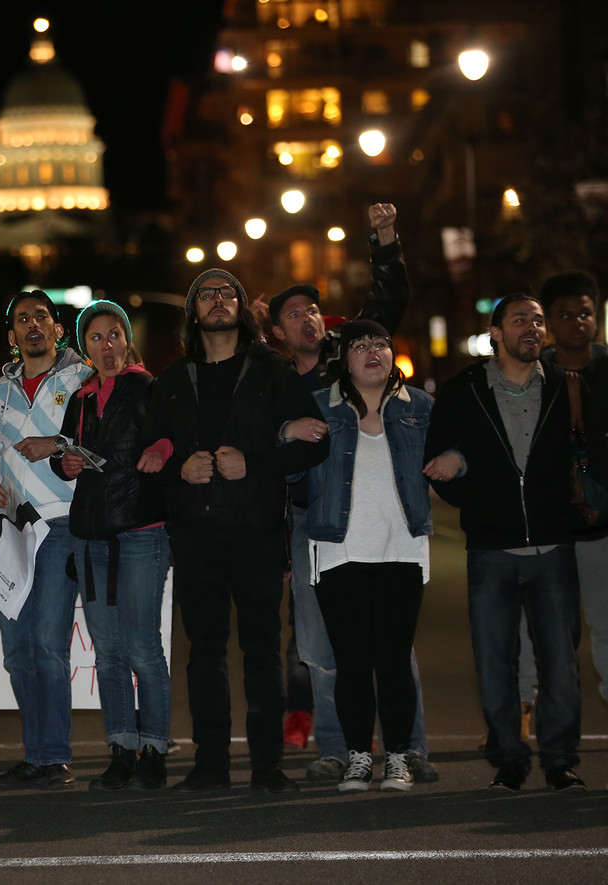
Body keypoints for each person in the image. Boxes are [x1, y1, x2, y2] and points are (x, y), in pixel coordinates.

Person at [266, 203, 436, 785]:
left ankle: (410, 748)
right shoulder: (280, 381)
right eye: (293, 314)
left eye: (312, 310)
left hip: (386, 528)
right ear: (278, 332)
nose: (308, 319)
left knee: (393, 644)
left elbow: (388, 303)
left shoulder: (351, 354)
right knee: (322, 645)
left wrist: (385, 239)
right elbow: (270, 449)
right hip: (312, 523)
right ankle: (340, 749)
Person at [144, 268, 326, 794]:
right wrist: (179, 470)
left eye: (228, 293)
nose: (218, 300)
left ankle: (268, 766)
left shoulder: (274, 370)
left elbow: (317, 442)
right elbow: (149, 457)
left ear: (242, 309)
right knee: (204, 651)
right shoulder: (172, 381)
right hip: (195, 535)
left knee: (262, 650)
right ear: (193, 313)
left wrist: (257, 462)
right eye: (207, 294)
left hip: (257, 531)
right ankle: (210, 766)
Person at [425, 294, 585, 792]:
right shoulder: (464, 389)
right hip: (491, 550)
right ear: (496, 333)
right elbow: (437, 455)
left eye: (538, 321)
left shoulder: (565, 385)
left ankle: (559, 760)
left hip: (553, 546)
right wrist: (474, 496)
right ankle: (508, 760)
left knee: (561, 663)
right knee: (495, 661)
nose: (532, 328)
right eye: (520, 321)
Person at [295, 320, 433, 791]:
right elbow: (287, 470)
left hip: (402, 548)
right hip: (339, 549)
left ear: (392, 354)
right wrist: (289, 432)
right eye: (359, 345)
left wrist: (457, 461)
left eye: (380, 343)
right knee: (351, 660)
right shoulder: (320, 406)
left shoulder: (420, 406)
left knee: (394, 660)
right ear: (345, 360)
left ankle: (397, 757)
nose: (372, 351)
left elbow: (458, 452)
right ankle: (357, 756)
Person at [50, 301, 173, 790]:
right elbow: (64, 452)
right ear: (85, 347)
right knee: (109, 652)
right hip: (91, 537)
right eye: (96, 338)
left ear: (127, 339)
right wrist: (65, 464)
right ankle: (121, 750)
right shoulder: (80, 398)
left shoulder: (147, 387)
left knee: (143, 648)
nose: (107, 345)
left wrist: (160, 449)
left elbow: (174, 436)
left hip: (140, 533)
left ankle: (155, 752)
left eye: (114, 334)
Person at [0, 290, 92, 789]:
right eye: (22, 319)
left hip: (61, 525)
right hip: (13, 532)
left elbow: (101, 443)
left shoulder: (82, 380)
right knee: (19, 650)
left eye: (41, 317)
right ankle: (37, 754)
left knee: (48, 644)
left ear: (58, 329)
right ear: (12, 335)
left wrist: (59, 444)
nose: (33, 325)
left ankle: (55, 756)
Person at [540, 270, 608, 710]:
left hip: (602, 522)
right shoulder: (534, 375)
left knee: (605, 620)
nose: (578, 322)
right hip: (548, 523)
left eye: (585, 313)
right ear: (549, 322)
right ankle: (537, 708)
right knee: (548, 627)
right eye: (565, 315)